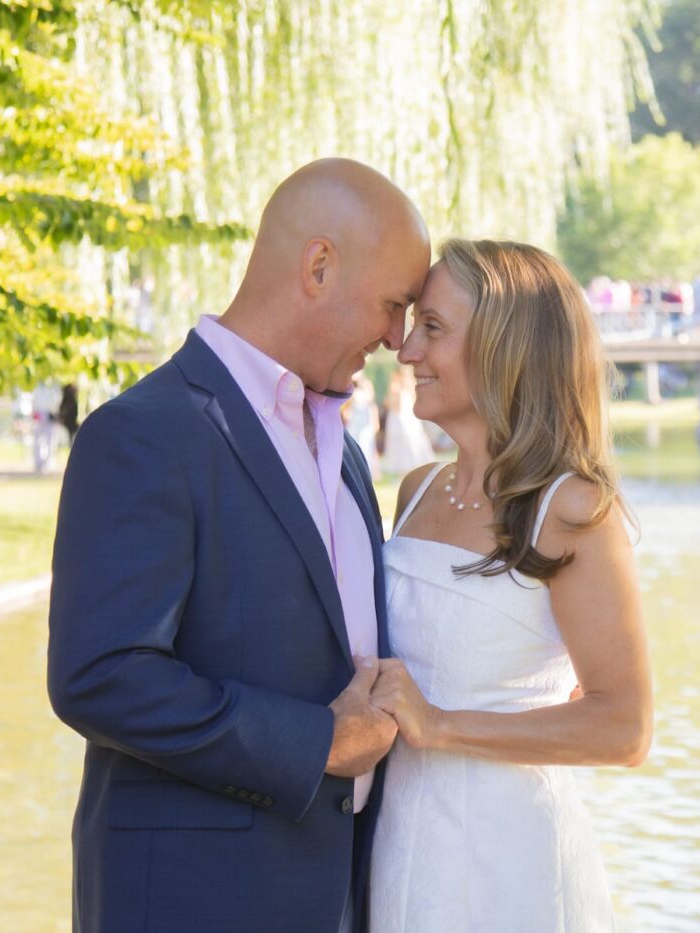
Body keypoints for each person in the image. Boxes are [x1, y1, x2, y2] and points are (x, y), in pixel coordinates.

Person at [47, 158, 430, 933]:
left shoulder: (348, 454)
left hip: (338, 897)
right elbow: (101, 675)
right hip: (193, 900)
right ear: (318, 266)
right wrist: (319, 742)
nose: (398, 338)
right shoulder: (142, 433)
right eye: (393, 305)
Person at [367, 239, 653, 931]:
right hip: (399, 841)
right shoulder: (415, 488)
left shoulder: (572, 510)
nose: (405, 352)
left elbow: (624, 725)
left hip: (509, 863)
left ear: (505, 347)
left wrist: (438, 724)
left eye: (432, 328)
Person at [380, 365, 434, 474]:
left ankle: (412, 465)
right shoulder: (403, 387)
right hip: (403, 419)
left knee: (410, 442)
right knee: (405, 442)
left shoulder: (405, 388)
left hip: (404, 419)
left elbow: (396, 405)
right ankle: (407, 467)